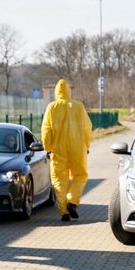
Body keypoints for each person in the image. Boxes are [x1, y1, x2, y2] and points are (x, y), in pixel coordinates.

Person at [41, 78, 92, 221]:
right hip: (78, 148)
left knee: (58, 179)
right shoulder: (79, 107)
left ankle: (64, 211)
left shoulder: (52, 107)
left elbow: (46, 130)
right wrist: (87, 145)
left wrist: (47, 147)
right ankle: (72, 201)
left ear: (57, 92)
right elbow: (87, 127)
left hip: (58, 149)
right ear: (69, 92)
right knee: (80, 176)